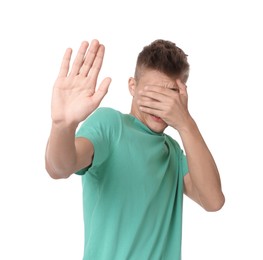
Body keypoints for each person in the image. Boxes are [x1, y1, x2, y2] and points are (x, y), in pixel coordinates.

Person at [45, 38, 225, 260]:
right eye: (152, 95)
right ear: (133, 86)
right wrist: (63, 126)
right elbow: (60, 167)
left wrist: (186, 123)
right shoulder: (111, 125)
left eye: (168, 96)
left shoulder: (173, 152)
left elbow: (214, 201)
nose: (159, 105)